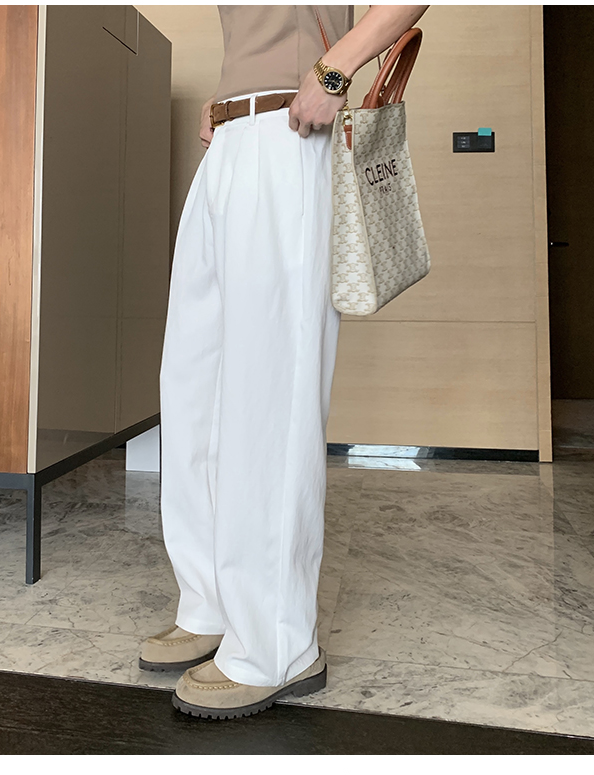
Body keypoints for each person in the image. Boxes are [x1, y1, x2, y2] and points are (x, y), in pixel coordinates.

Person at [140, 5, 430, 719]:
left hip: (291, 135)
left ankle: (276, 643)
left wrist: (335, 71)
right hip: (230, 142)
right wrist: (226, 99)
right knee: (194, 387)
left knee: (267, 395)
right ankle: (211, 602)